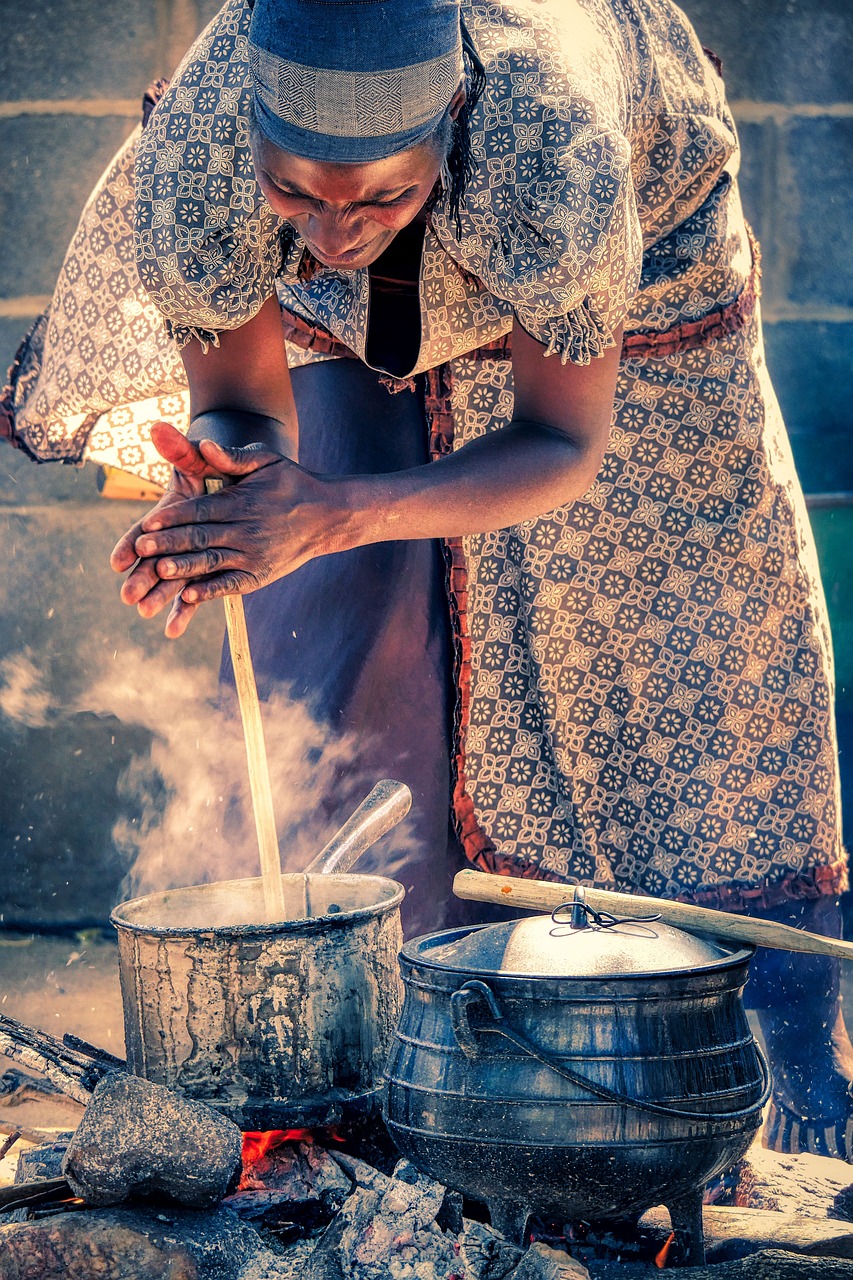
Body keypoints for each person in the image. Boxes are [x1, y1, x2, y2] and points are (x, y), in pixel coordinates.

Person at [3, 0, 851, 1160]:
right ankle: (388, 1078)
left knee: (668, 645)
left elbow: (563, 442)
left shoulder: (551, 151)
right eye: (296, 193)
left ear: (450, 119)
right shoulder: (201, 158)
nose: (336, 229)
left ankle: (750, 1092)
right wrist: (243, 491)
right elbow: (246, 408)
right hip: (369, 304)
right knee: (345, 632)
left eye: (378, 197)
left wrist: (334, 511)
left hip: (636, 267)